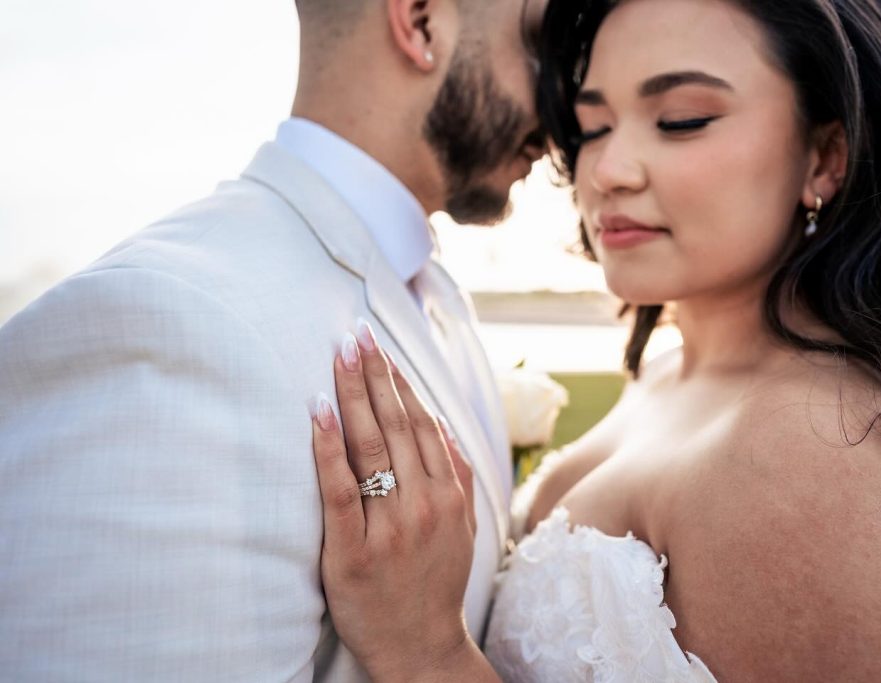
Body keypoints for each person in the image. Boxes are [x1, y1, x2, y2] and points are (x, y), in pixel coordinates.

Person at [309, 0, 881, 680]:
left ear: (825, 157)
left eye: (681, 120)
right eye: (594, 127)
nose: (609, 171)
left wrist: (428, 654)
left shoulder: (832, 469)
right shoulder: (673, 374)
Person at [0, 0, 545, 679]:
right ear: (421, 20)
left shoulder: (439, 296)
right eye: (537, 37)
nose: (564, 105)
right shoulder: (167, 321)